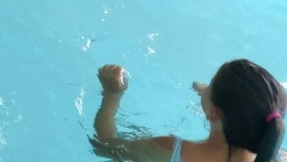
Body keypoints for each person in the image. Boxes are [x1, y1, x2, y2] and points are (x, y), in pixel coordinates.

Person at [93, 60, 287, 162]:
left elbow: (105, 144)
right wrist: (211, 95)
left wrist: (112, 94)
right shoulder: (279, 156)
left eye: (210, 85)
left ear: (213, 112)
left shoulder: (170, 151)